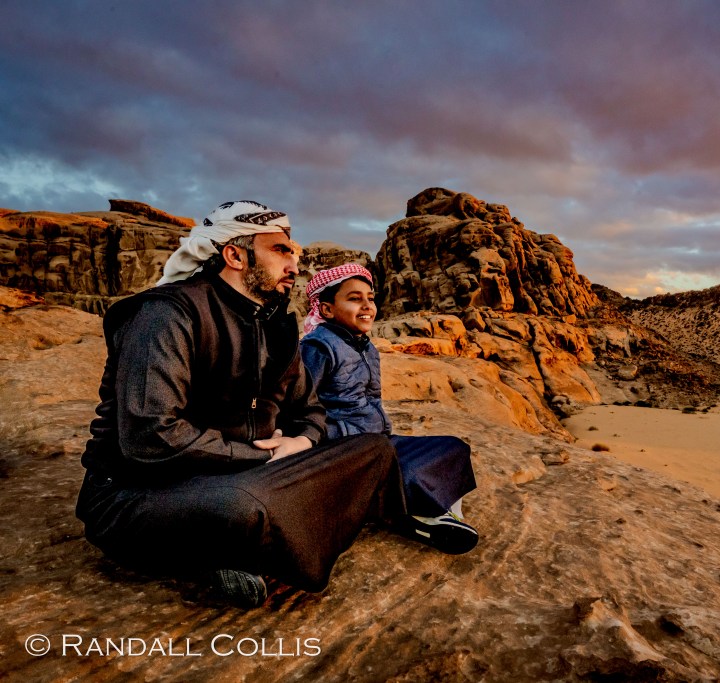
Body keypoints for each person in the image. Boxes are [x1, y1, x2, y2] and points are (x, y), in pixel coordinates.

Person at [75, 201, 408, 609]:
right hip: (140, 493)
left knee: (373, 450)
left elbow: (311, 411)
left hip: (246, 474)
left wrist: (300, 443)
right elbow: (150, 435)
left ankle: (247, 541)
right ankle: (243, 541)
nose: (294, 264)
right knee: (239, 508)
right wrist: (253, 456)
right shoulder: (167, 314)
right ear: (235, 254)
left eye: (295, 253)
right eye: (281, 251)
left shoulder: (275, 325)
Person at [300, 264, 478, 554]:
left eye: (370, 298)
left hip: (378, 441)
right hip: (348, 449)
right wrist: (340, 434)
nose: (367, 306)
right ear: (328, 310)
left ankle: (433, 516)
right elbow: (301, 406)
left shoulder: (366, 347)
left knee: (453, 448)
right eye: (355, 298)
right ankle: (421, 516)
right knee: (406, 472)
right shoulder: (318, 347)